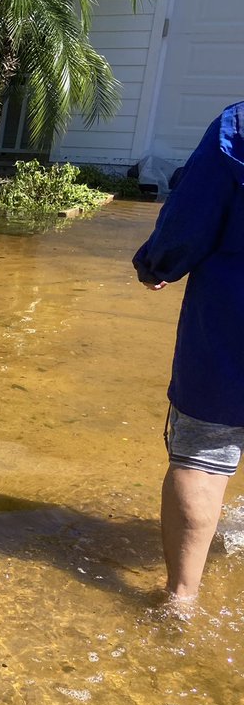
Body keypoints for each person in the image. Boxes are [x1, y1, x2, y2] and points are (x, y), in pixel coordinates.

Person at [133, 100, 244, 606]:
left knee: (203, 451)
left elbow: (191, 216)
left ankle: (179, 602)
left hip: (231, 321)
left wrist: (158, 263)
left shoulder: (237, 126)